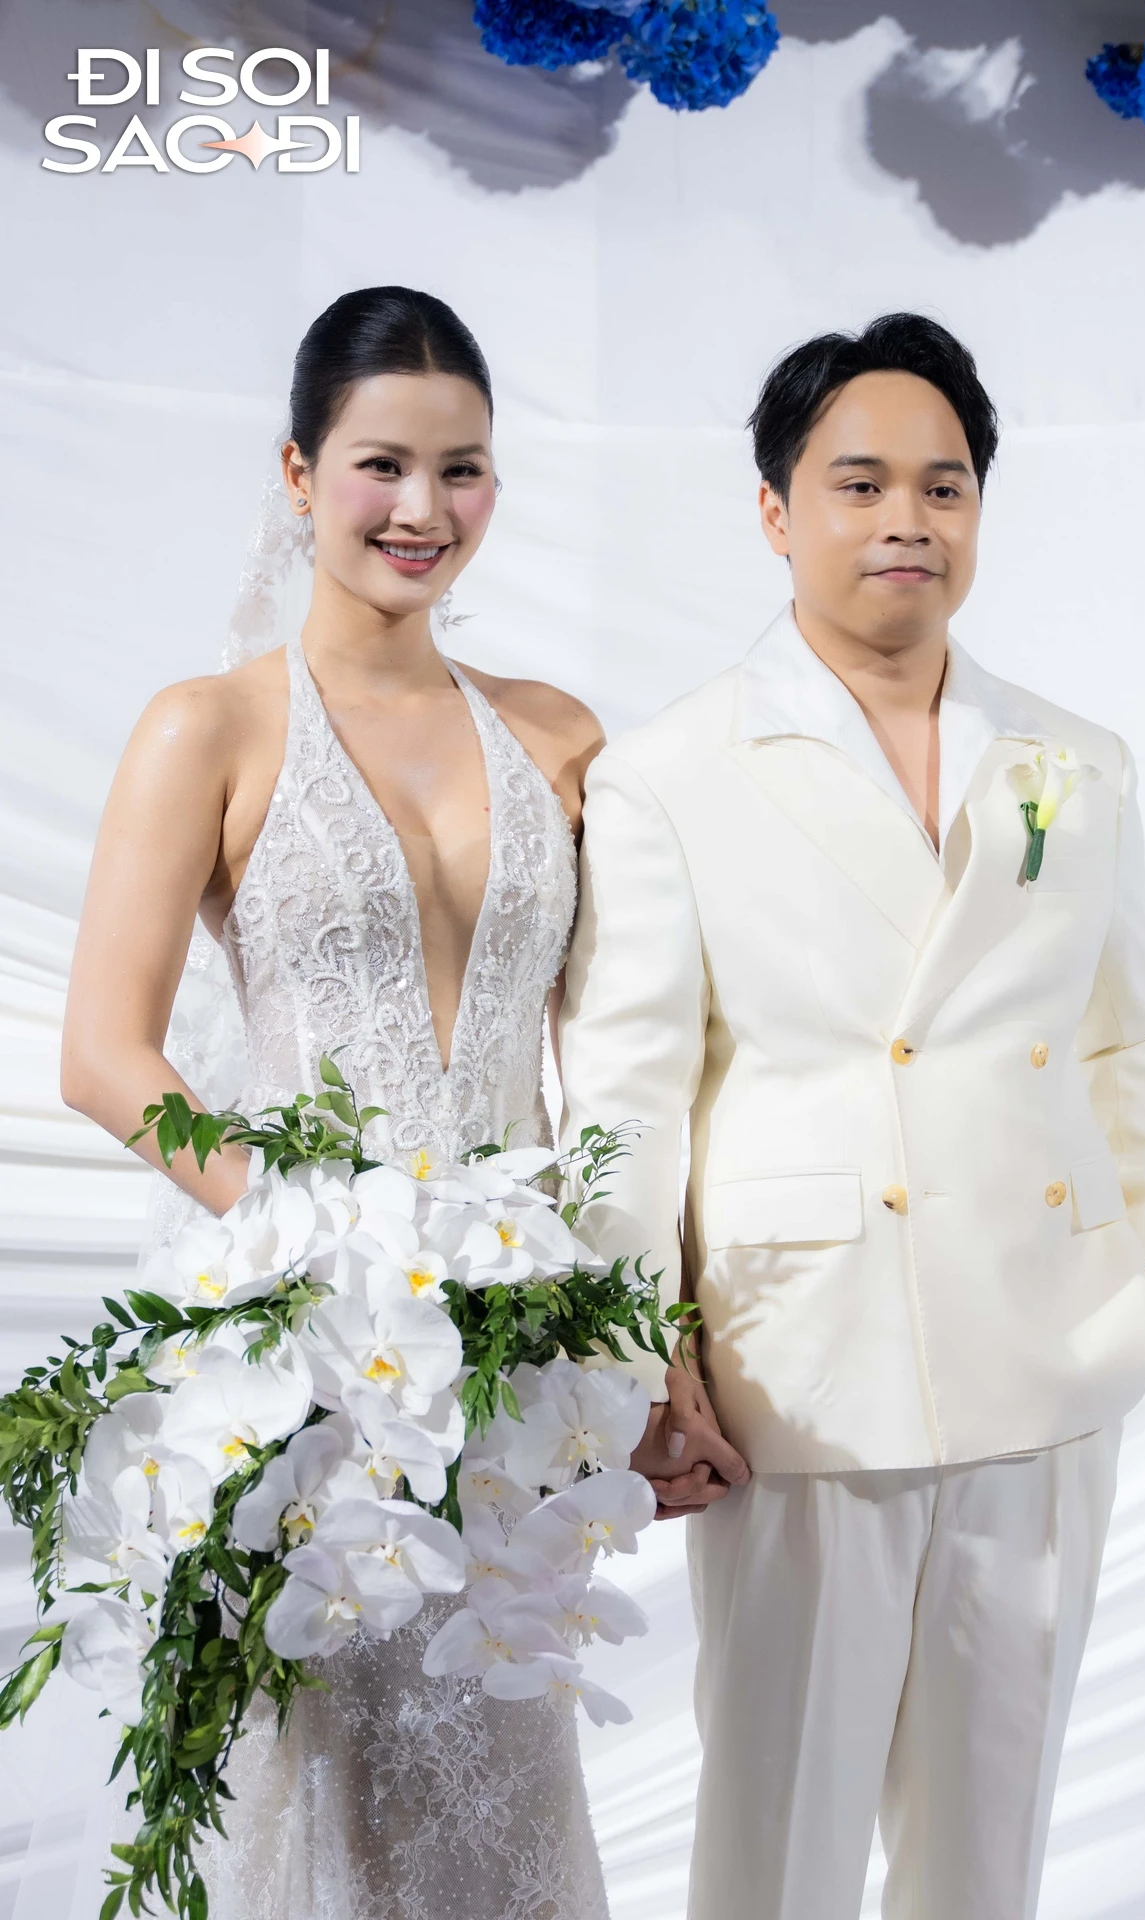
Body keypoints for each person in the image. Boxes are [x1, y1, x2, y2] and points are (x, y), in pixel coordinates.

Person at [558, 313, 1145, 1920]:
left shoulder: (1073, 760)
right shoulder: (672, 772)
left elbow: (1133, 1030)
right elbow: (625, 1095)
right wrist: (640, 1348)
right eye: (858, 484)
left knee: (989, 1845)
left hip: (1045, 1348)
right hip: (801, 1366)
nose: (906, 518)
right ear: (774, 510)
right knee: (777, 1844)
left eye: (943, 484)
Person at [61, 286, 612, 1920]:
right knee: (314, 1794)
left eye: (463, 469)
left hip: (510, 1363)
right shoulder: (210, 726)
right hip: (303, 1352)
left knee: (501, 1793)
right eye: (382, 465)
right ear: (299, 473)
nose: (423, 508)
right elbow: (105, 1055)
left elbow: (614, 1058)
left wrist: (637, 1333)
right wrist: (318, 1234)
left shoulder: (559, 737)